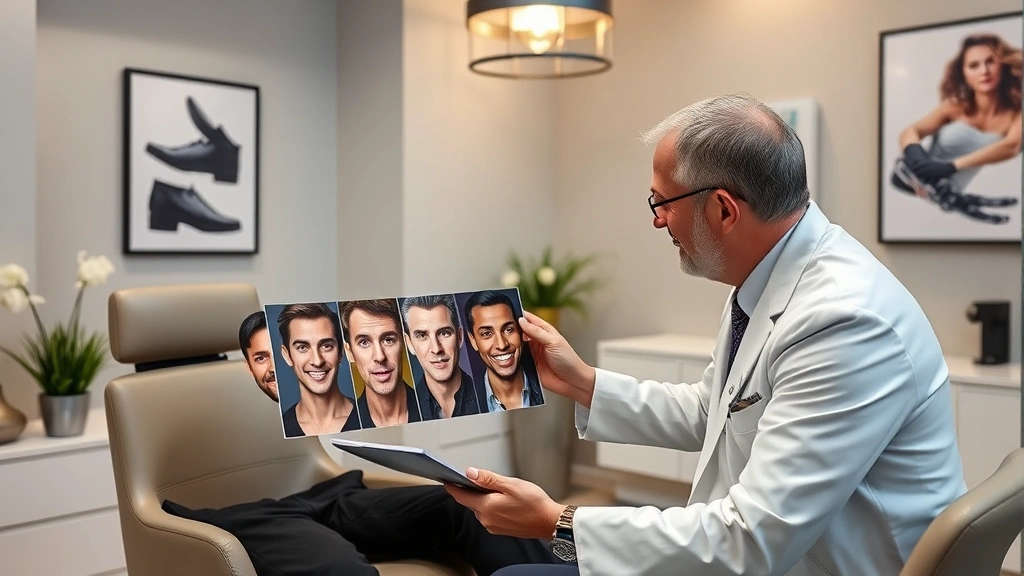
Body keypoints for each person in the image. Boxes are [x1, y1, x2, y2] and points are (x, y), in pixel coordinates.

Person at [443, 93, 966, 576]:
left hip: (808, 562)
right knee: (494, 543)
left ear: (722, 209)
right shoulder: (767, 278)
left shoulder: (844, 323)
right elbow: (714, 412)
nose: (657, 221)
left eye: (661, 201)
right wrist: (583, 382)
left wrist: (559, 522)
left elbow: (752, 541)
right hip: (775, 548)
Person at [159, 310, 563, 576]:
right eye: (298, 348)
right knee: (343, 569)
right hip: (248, 515)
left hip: (328, 494)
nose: (313, 359)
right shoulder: (170, 397)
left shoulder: (319, 397)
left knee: (471, 504)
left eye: (324, 346)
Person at [892, 32, 1022, 223]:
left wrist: (951, 167)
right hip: (920, 186)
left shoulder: (1016, 114)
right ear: (965, 74)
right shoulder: (954, 108)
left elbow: (1011, 146)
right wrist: (915, 153)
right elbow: (911, 132)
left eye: (990, 62)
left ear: (1002, 65)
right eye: (974, 65)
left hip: (951, 191)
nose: (984, 71)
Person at [275, 302, 360, 436]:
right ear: (287, 355)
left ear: (341, 352)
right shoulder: (278, 431)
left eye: (326, 346)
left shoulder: (369, 419)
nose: (317, 361)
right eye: (302, 347)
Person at [340, 298, 423, 428]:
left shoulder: (437, 411)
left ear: (403, 342)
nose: (380, 356)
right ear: (350, 353)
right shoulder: (348, 434)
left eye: (388, 340)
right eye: (364, 342)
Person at [400, 293, 484, 419]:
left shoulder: (487, 397)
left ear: (460, 337)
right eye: (422, 336)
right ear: (409, 344)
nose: (436, 349)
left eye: (444, 333)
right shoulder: (404, 413)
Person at [463, 290, 545, 412]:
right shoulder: (465, 408)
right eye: (486, 333)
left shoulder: (547, 388)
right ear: (473, 341)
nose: (502, 345)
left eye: (508, 329)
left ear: (520, 330)